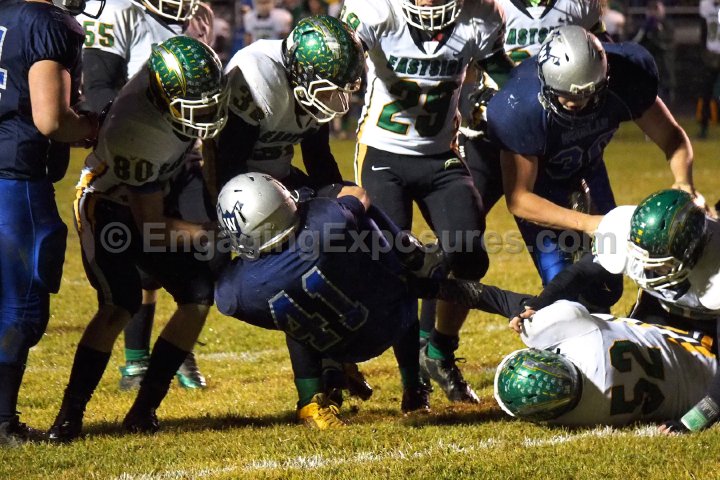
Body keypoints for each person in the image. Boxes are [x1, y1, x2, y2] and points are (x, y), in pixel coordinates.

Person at [47, 36, 229, 442]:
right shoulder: (136, 130)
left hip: (154, 188)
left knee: (198, 296)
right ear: (162, 97)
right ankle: (69, 415)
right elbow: (151, 226)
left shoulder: (172, 83)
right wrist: (212, 233)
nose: (205, 113)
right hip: (107, 205)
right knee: (120, 304)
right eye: (193, 105)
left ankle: (144, 409)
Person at [213, 173, 504, 427]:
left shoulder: (235, 291)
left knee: (292, 313)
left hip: (329, 339)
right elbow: (358, 196)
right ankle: (413, 387)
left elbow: (226, 297)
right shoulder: (324, 222)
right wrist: (313, 195)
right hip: (379, 319)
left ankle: (311, 400)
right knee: (400, 282)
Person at [340, 0, 514, 405]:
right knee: (395, 267)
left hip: (441, 156)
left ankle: (439, 352)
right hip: (383, 154)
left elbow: (507, 76)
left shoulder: (480, 14)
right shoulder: (376, 10)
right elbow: (340, 60)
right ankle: (410, 381)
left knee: (468, 254)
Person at [216, 15, 373, 411]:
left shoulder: (307, 84)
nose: (338, 100)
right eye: (330, 87)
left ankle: (336, 360)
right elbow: (226, 162)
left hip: (278, 179)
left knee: (348, 240)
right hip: (239, 190)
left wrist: (340, 205)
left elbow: (318, 158)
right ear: (301, 73)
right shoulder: (258, 77)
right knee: (297, 274)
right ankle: (311, 397)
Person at [486, 25, 699, 288]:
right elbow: (519, 199)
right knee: (562, 284)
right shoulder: (520, 107)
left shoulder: (626, 78)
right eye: (566, 95)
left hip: (589, 169)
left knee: (608, 282)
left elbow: (672, 138)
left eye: (588, 93)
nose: (576, 103)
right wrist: (589, 223)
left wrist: (684, 181)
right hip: (542, 185)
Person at [77, 0, 216, 391]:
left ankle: (178, 345)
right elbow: (99, 86)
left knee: (202, 254)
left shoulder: (197, 14)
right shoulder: (118, 10)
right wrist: (130, 133)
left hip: (185, 154)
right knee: (142, 256)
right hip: (139, 150)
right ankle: (136, 360)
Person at [0, 0, 102, 447]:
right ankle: (2, 422)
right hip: (17, 179)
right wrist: (92, 126)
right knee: (20, 307)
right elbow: (51, 119)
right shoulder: (46, 21)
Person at [593, 189, 720, 433]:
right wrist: (538, 303)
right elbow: (585, 271)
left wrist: (693, 421)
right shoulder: (629, 232)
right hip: (667, 312)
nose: (648, 269)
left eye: (662, 264)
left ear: (692, 251)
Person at [494, 300, 718, 427]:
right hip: (701, 348)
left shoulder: (579, 419)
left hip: (696, 399)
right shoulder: (581, 332)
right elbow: (541, 310)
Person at [698, 0, 720, 139]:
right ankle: (703, 128)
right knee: (706, 92)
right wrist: (704, 52)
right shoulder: (706, 5)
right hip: (712, 54)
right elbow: (703, 31)